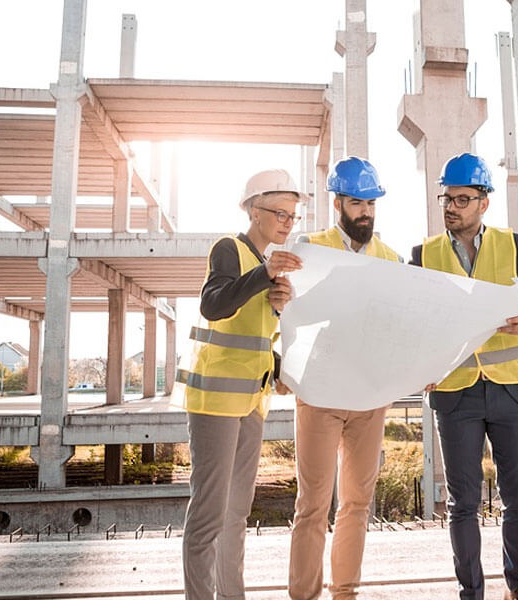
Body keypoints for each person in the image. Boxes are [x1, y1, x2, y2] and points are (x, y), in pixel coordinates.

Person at [411, 153, 518, 600]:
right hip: (455, 395)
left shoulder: (512, 246)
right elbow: (411, 322)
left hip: (511, 390)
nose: (451, 206)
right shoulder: (424, 254)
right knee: (463, 505)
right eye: (447, 198)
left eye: (462, 198)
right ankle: (470, 592)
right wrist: (419, 368)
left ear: (483, 203)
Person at [276, 156, 402, 600]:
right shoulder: (311, 249)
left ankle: (344, 592)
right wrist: (282, 362)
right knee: (311, 505)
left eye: (370, 203)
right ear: (337, 204)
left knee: (356, 504)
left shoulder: (391, 259)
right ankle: (304, 596)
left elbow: (400, 325)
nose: (365, 211)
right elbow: (286, 311)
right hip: (320, 394)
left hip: (369, 398)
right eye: (355, 202)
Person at [177, 168, 305, 600]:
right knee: (209, 515)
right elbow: (213, 305)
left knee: (236, 514)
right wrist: (263, 277)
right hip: (214, 400)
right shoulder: (230, 249)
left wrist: (280, 367)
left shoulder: (265, 266)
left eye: (293, 215)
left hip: (251, 401)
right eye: (279, 212)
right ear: (253, 209)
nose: (287, 221)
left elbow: (253, 340)